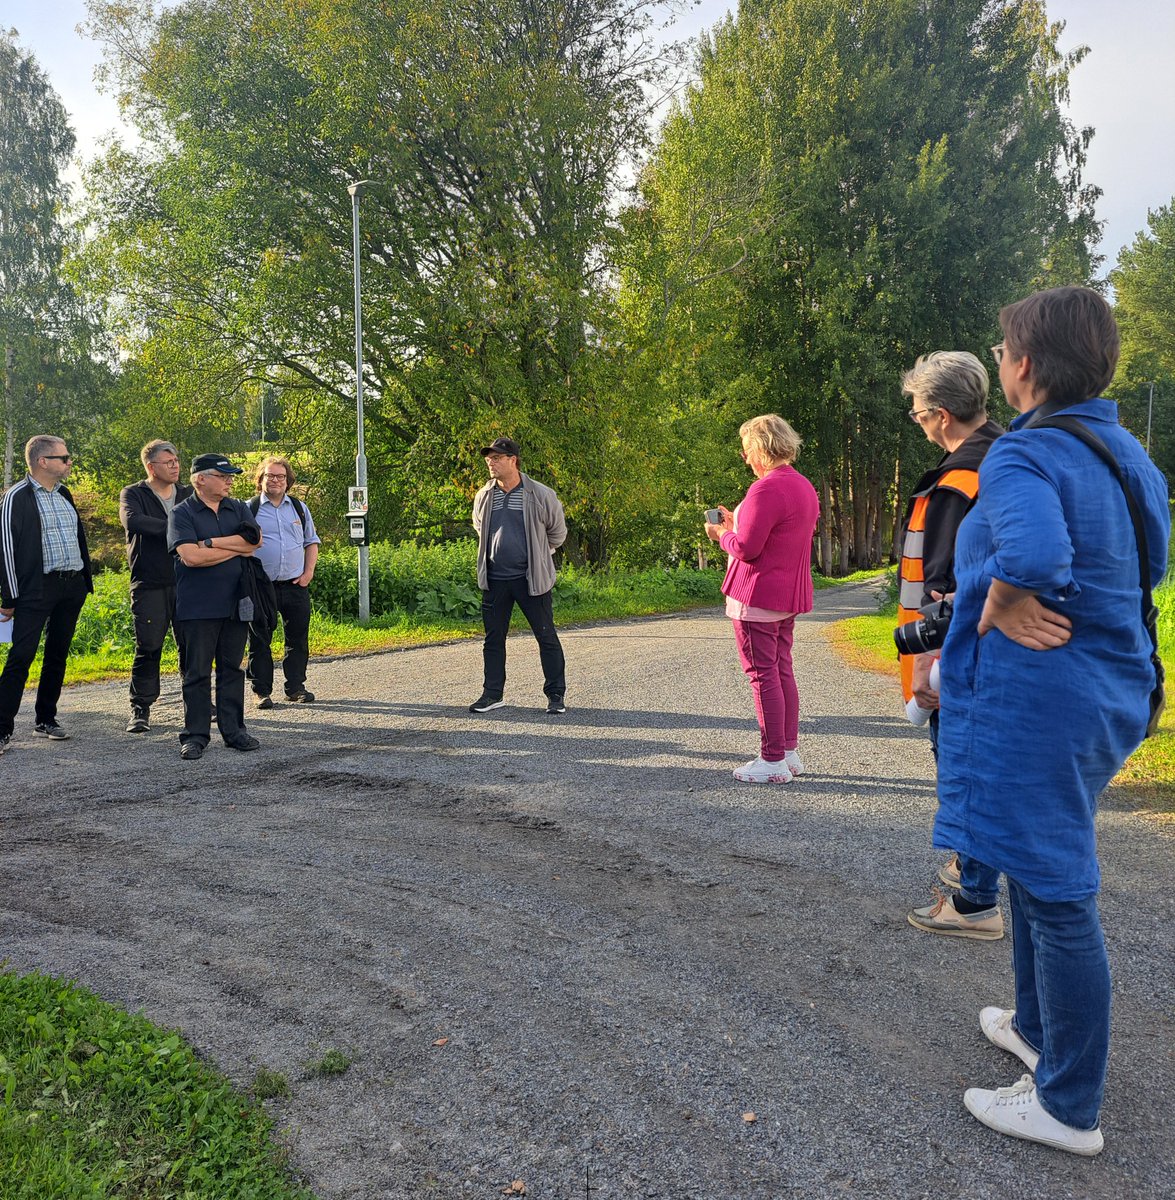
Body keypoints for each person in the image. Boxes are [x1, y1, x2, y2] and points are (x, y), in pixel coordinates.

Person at [935, 287, 1168, 1155]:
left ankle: (1067, 1105)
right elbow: (1145, 562)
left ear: (1024, 365)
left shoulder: (1022, 455)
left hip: (1046, 699)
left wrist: (1001, 598)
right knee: (1035, 868)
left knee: (1060, 891)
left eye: (1002, 349)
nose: (999, 361)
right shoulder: (1124, 450)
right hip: (1112, 691)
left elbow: (1033, 555)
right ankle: (1035, 1031)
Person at [892, 354, 1006, 940]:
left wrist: (927, 669)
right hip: (999, 646)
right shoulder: (1005, 454)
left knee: (964, 771)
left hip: (957, 654)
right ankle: (972, 865)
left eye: (917, 415)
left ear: (941, 415)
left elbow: (944, 591)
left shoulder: (957, 481)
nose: (917, 423)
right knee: (979, 768)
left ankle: (975, 900)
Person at [705, 414, 819, 783]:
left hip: (757, 594)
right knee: (781, 670)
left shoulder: (765, 489)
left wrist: (720, 534)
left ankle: (771, 760)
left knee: (762, 675)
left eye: (746, 450)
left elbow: (748, 549)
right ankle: (787, 752)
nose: (745, 458)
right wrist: (735, 525)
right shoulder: (803, 486)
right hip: (787, 593)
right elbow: (775, 536)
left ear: (758, 450)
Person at [0, 435, 93, 753]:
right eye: (64, 458)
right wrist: (9, 598)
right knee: (21, 657)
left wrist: (84, 580)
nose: (69, 463)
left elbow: (75, 538)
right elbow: (6, 551)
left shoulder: (64, 493)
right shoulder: (17, 497)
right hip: (35, 590)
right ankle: (1, 728)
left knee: (57, 653)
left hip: (71, 586)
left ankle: (46, 719)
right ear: (43, 462)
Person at [167, 453, 263, 760]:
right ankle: (195, 735)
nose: (230, 481)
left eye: (230, 477)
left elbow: (255, 542)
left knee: (232, 669)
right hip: (197, 605)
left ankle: (234, 731)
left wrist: (209, 542)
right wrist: (234, 548)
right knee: (196, 672)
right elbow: (190, 558)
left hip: (237, 601)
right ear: (200, 479)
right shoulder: (182, 513)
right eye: (223, 477)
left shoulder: (238, 507)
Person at [469, 437, 568, 714]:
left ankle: (555, 695)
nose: (491, 462)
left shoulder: (540, 494)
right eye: (489, 458)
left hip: (530, 579)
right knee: (493, 639)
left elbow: (557, 534)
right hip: (495, 578)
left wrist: (536, 555)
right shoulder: (484, 495)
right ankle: (492, 694)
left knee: (546, 636)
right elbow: (480, 527)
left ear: (513, 460)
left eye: (497, 458)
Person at [119, 440, 193, 733]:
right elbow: (134, 522)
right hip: (149, 583)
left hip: (188, 582)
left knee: (192, 646)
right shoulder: (133, 493)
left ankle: (198, 702)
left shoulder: (187, 493)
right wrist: (180, 528)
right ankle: (141, 708)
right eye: (169, 462)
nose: (176, 465)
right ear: (151, 467)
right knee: (149, 646)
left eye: (176, 460)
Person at [246, 456, 320, 707]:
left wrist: (308, 573)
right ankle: (261, 691)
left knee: (297, 638)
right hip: (261, 587)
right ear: (260, 480)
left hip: (295, 584)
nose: (275, 480)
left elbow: (311, 542)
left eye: (281, 476)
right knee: (259, 639)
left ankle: (295, 687)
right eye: (270, 476)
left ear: (288, 481)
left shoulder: (299, 508)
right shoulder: (249, 508)